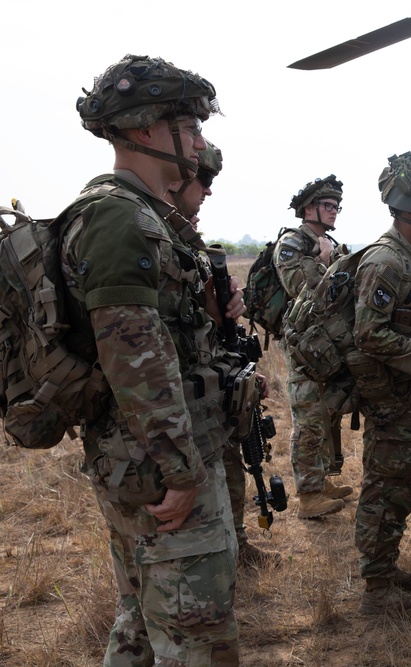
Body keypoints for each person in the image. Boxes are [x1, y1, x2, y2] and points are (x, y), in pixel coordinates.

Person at [65, 54, 241, 664]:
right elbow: (131, 354)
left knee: (141, 622)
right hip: (158, 466)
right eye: (187, 128)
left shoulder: (143, 216)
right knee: (197, 641)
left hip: (145, 457)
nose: (198, 142)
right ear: (144, 131)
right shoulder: (120, 217)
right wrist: (181, 469)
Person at [165, 140, 281, 569]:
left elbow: (203, 334)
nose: (208, 192)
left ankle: (237, 541)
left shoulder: (188, 251)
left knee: (232, 463)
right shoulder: (150, 242)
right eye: (203, 178)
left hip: (207, 400)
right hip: (176, 415)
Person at [352, 152, 411, 619]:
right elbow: (368, 332)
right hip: (387, 398)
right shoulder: (387, 261)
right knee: (385, 488)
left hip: (400, 394)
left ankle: (386, 571)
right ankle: (376, 590)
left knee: (399, 486)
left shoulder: (410, 257)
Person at [277, 176, 355, 519]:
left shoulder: (327, 242)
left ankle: (320, 481)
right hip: (303, 346)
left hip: (326, 345)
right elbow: (302, 290)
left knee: (325, 416)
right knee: (308, 419)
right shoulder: (291, 244)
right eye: (328, 206)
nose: (334, 211)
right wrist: (325, 263)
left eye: (337, 206)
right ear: (309, 208)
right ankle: (308, 496)